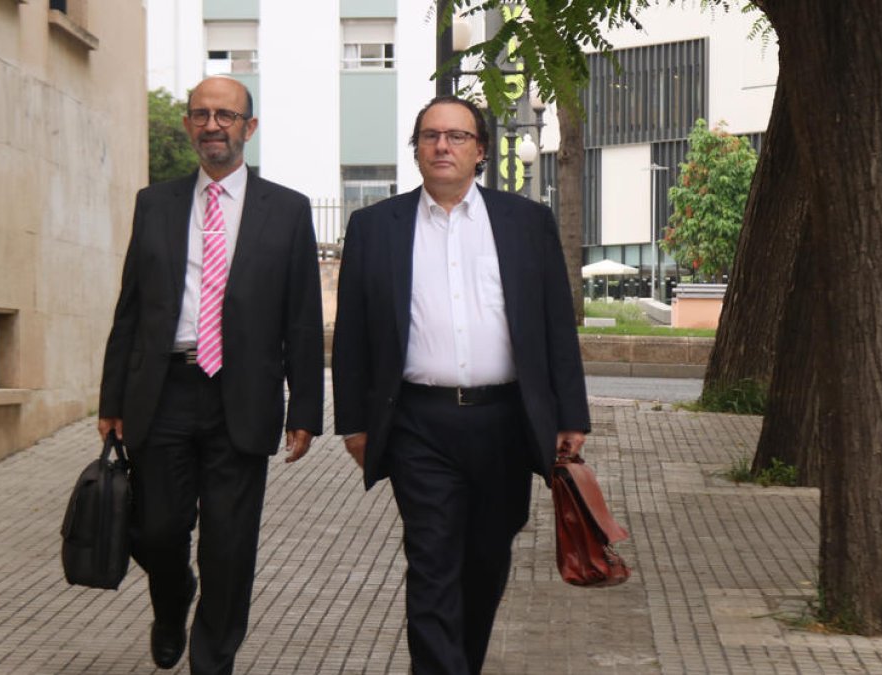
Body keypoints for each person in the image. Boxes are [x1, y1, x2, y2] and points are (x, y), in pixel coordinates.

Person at [331, 95, 591, 675]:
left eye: (456, 136)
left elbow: (555, 326)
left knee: (485, 560)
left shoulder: (526, 224)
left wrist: (570, 415)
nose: (441, 146)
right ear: (417, 150)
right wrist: (352, 422)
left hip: (505, 421)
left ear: (480, 150)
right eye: (429, 136)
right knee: (431, 563)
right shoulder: (375, 227)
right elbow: (352, 334)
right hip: (418, 425)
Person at [97, 76, 324, 674]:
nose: (212, 125)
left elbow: (302, 319)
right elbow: (131, 307)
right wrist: (111, 398)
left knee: (229, 544)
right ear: (188, 126)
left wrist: (305, 409)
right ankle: (172, 602)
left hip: (241, 398)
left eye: (226, 115)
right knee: (155, 531)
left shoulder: (289, 210)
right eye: (200, 114)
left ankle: (212, 659)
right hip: (162, 391)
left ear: (249, 127)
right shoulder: (156, 204)